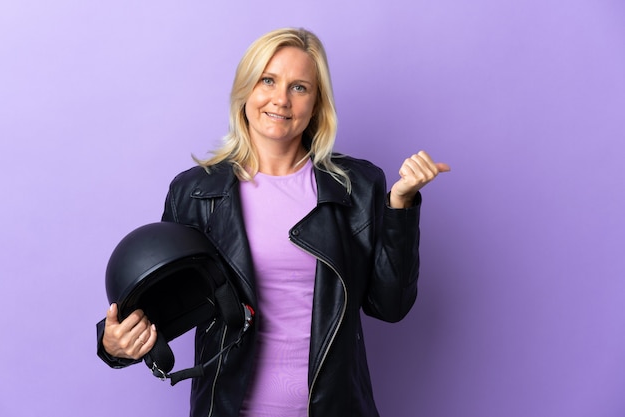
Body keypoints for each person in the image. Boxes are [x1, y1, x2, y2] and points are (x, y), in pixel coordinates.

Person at [97, 27, 450, 417]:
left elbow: (391, 306)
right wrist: (113, 343)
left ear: (317, 104)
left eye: (300, 87)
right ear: (247, 89)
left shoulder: (358, 187)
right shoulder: (195, 192)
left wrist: (400, 205)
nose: (280, 99)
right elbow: (160, 305)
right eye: (268, 80)